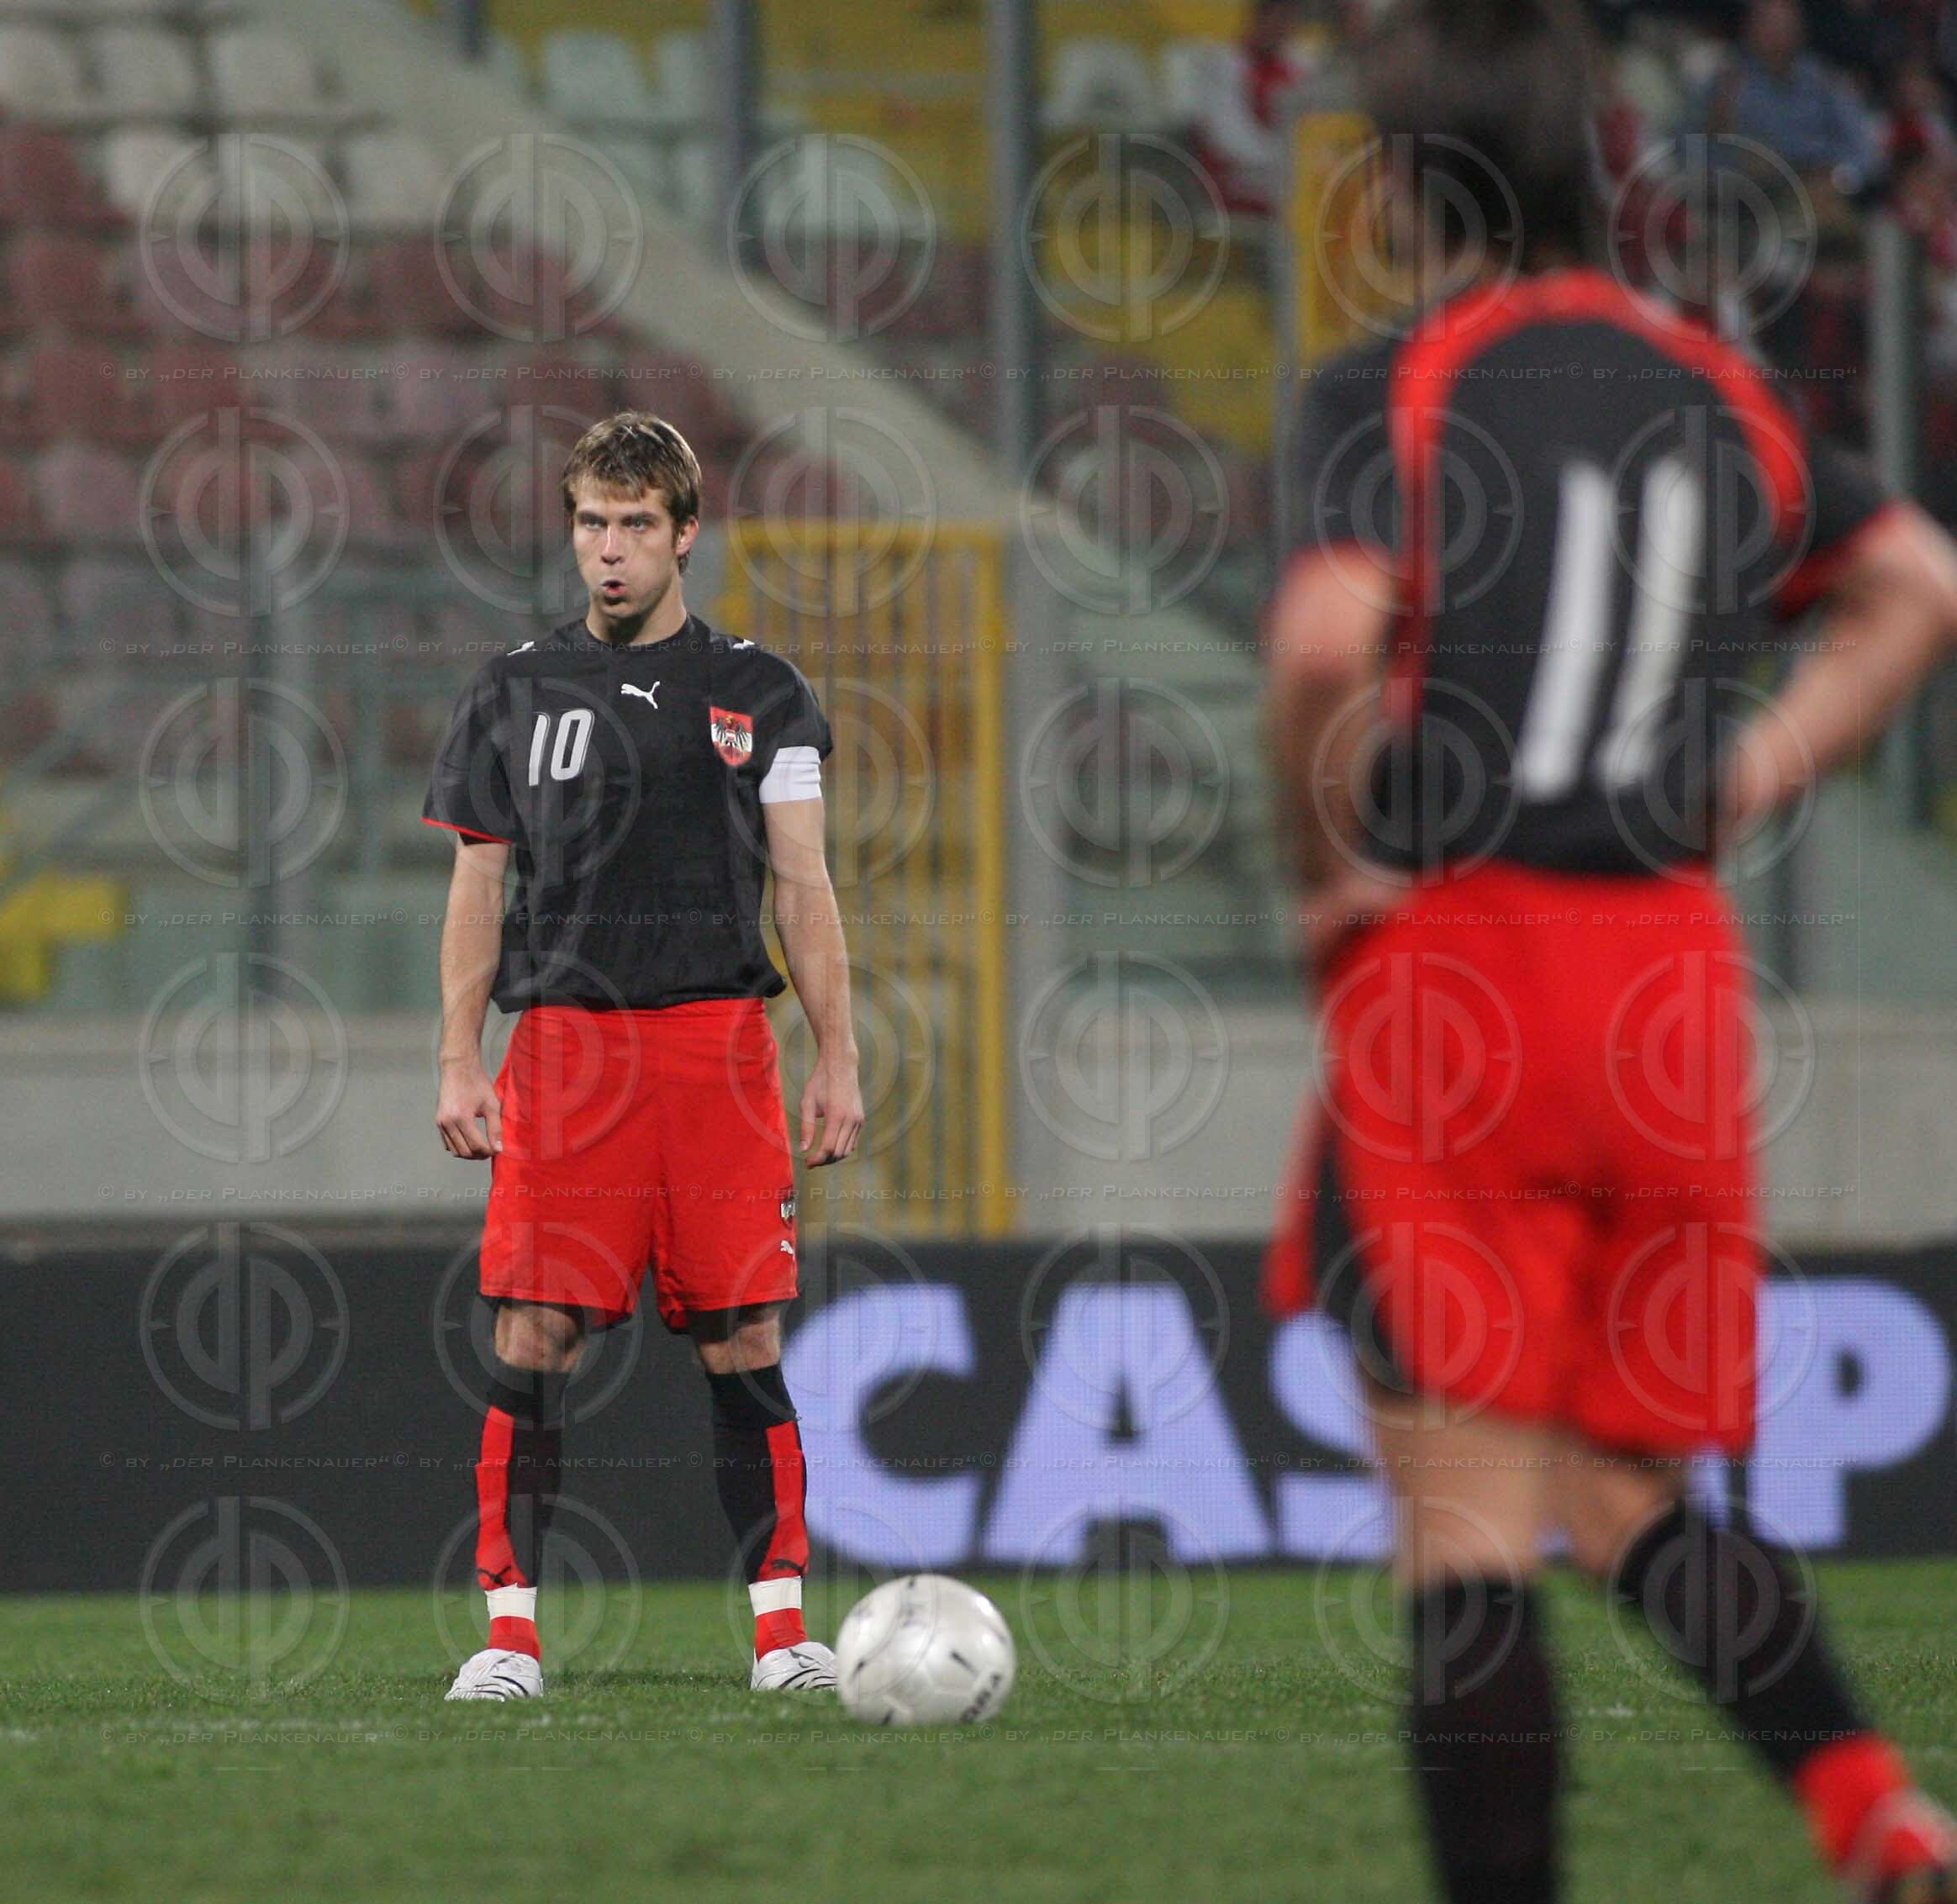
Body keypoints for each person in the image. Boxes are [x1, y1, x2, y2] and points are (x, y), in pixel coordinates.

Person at [1262, 2, 1957, 1899]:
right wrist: (1754, 767)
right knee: (1620, 1482)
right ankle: (1872, 1807)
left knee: (1469, 1519)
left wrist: (1326, 868)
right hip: (1668, 977)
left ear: (1408, 187)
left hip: (1466, 959)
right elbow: (1919, 583)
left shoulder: (1396, 382)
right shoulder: (1707, 379)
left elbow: (1329, 641)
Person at [424, 412, 864, 1700]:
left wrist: (837, 1054)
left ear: (684, 536)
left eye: (634, 526)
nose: (607, 551)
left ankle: (782, 1637)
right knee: (537, 1329)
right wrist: (461, 1058)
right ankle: (510, 1637)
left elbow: (805, 881)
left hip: (719, 1049)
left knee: (743, 1336)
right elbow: (475, 884)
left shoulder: (761, 690)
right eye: (590, 524)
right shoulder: (512, 687)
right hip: (565, 1050)